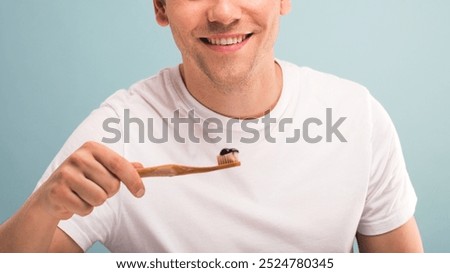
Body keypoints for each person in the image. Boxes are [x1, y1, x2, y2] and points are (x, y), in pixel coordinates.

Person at [0, 0, 423, 252]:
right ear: (161, 8)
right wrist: (44, 208)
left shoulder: (356, 117)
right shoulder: (118, 133)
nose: (222, 13)